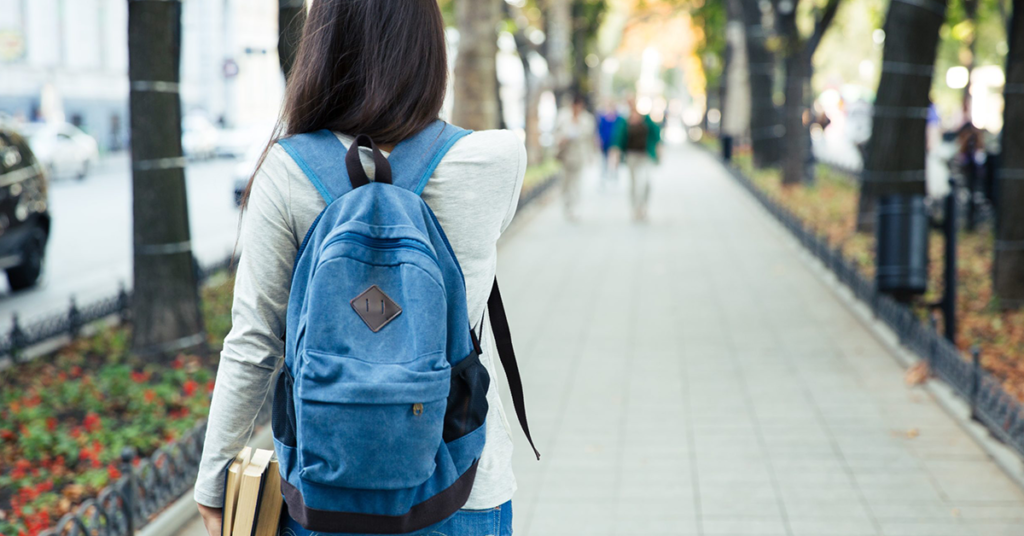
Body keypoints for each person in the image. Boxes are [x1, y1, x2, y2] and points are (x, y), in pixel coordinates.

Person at [193, 2, 526, 536]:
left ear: (322, 48)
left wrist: (213, 484)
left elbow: (254, 341)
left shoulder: (286, 169)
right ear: (429, 50)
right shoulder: (497, 158)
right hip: (462, 487)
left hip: (326, 495)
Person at [611, 100, 661, 221]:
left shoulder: (647, 120)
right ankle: (635, 208)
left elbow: (657, 137)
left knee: (646, 182)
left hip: (645, 156)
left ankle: (643, 206)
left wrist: (659, 154)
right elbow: (618, 140)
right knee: (633, 184)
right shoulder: (625, 122)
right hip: (632, 156)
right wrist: (616, 158)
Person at [555, 95, 595, 220]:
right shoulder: (563, 116)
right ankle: (567, 205)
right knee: (566, 182)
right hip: (565, 154)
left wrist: (590, 155)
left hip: (579, 154)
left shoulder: (587, 119)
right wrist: (561, 139)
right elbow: (556, 133)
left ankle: (574, 208)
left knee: (577, 183)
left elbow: (590, 139)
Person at [596, 99, 620, 186]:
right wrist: (599, 140)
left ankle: (614, 175)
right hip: (605, 142)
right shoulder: (603, 117)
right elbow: (599, 130)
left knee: (614, 159)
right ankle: (604, 176)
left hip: (615, 142)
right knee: (604, 160)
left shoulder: (619, 118)